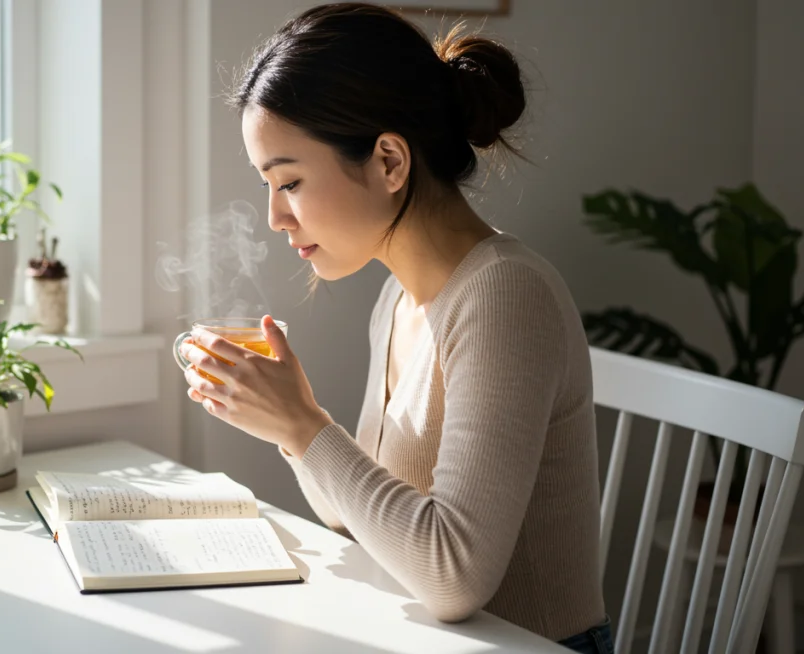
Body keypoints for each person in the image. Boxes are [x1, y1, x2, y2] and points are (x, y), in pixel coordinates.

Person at [178, 3, 611, 652]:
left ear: (388, 161)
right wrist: (288, 423)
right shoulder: (399, 300)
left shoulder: (504, 295)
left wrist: (306, 426)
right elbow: (354, 518)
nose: (275, 218)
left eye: (288, 181)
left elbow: (455, 575)